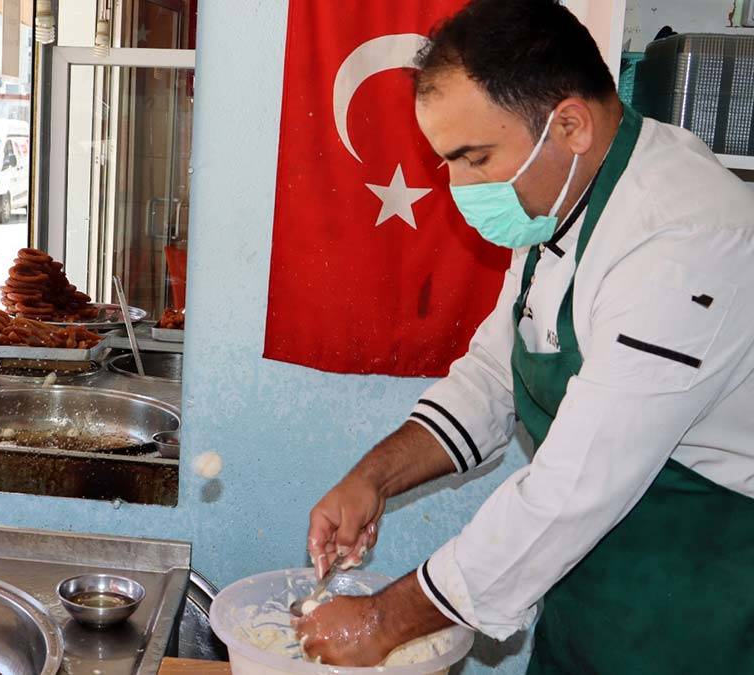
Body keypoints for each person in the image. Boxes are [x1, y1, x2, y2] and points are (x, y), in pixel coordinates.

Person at [296, 1, 754, 672]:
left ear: (568, 124)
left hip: (699, 609)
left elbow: (577, 486)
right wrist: (374, 476)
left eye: (474, 157)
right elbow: (498, 372)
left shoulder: (684, 241)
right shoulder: (563, 199)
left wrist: (381, 618)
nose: (458, 186)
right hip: (592, 594)